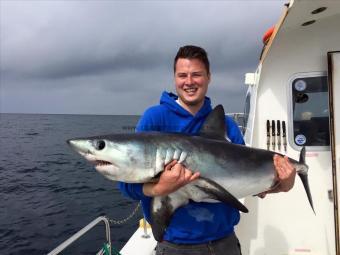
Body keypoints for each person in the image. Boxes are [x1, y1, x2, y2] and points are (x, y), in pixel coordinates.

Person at [119, 45, 296, 255]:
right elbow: (126, 186)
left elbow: (248, 183)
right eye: (182, 75)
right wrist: (159, 189)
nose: (189, 81)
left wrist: (282, 185)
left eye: (196, 74)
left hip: (225, 242)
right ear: (174, 78)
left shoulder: (228, 126)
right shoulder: (155, 119)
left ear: (209, 77)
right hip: (176, 246)